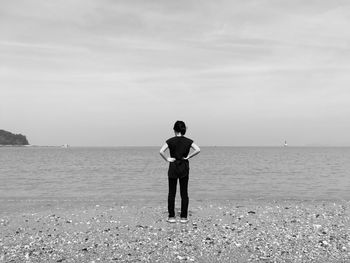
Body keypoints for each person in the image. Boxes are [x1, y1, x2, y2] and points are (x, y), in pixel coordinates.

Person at [159, 120, 200, 223]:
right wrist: (189, 156)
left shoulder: (170, 141)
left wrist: (167, 159)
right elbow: (198, 149)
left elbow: (161, 151)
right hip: (184, 167)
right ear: (183, 129)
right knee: (184, 193)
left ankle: (171, 217)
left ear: (174, 129)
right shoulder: (188, 141)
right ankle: (183, 217)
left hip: (173, 167)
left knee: (171, 193)